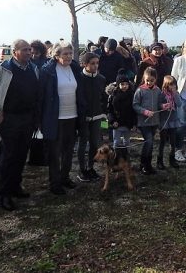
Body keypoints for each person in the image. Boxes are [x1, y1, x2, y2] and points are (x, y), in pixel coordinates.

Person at [0, 39, 40, 211]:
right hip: (9, 118)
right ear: (15, 52)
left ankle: (16, 186)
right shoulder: (2, 68)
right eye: (25, 50)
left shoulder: (33, 68)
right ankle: (5, 193)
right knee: (8, 156)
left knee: (21, 155)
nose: (29, 52)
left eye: (29, 49)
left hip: (27, 118)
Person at [40, 42, 86, 195]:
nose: (68, 57)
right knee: (55, 152)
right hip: (55, 118)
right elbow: (42, 96)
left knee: (68, 150)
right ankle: (55, 183)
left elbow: (79, 92)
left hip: (72, 116)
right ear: (56, 55)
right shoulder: (48, 71)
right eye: (65, 54)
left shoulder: (74, 68)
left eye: (70, 54)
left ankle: (65, 177)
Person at [77, 52, 107, 182]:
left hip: (98, 116)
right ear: (85, 64)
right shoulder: (79, 78)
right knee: (83, 143)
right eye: (92, 63)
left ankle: (90, 167)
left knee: (95, 143)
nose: (95, 66)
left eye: (97, 63)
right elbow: (78, 98)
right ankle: (82, 170)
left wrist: (104, 113)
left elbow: (103, 97)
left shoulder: (101, 79)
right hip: (83, 117)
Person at [133, 67, 168, 174]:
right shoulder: (140, 90)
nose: (149, 82)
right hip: (143, 122)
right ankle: (143, 165)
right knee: (148, 141)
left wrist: (163, 106)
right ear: (144, 78)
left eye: (152, 80)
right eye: (147, 80)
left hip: (154, 122)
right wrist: (145, 112)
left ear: (155, 79)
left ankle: (148, 165)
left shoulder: (157, 90)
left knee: (150, 143)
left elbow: (159, 104)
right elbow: (135, 105)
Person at [158, 75, 184, 169]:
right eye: (171, 85)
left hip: (173, 121)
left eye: (174, 85)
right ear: (166, 85)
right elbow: (158, 105)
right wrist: (163, 106)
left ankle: (172, 159)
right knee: (162, 141)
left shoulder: (176, 93)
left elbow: (179, 104)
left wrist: (175, 93)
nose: (173, 87)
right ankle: (160, 161)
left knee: (173, 141)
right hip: (164, 121)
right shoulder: (162, 94)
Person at [107, 72, 136, 151]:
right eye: (122, 84)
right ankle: (115, 155)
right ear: (118, 85)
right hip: (117, 123)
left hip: (128, 123)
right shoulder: (113, 96)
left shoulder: (131, 95)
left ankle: (126, 155)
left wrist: (134, 123)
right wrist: (112, 121)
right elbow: (110, 110)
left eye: (126, 84)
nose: (124, 86)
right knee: (116, 141)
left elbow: (133, 111)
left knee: (127, 142)